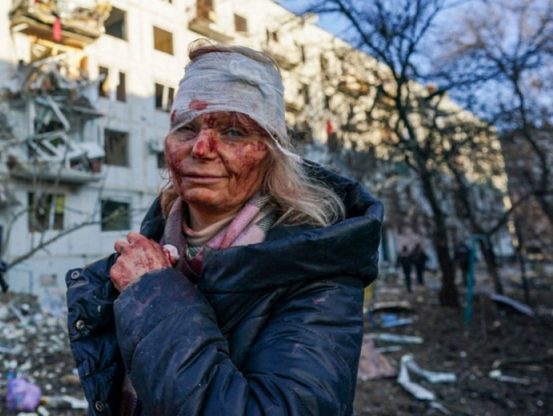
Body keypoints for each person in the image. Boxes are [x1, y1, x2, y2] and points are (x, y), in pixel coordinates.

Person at [66, 41, 383, 415]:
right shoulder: (146, 255)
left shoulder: (318, 275)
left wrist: (154, 295)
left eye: (233, 132)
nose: (201, 147)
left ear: (272, 153)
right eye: (186, 128)